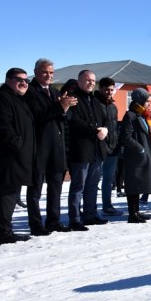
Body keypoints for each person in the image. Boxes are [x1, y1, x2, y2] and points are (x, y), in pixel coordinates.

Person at [24, 59, 76, 235]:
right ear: (36, 72)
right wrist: (60, 106)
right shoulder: (30, 91)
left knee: (55, 186)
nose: (49, 76)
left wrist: (66, 108)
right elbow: (38, 116)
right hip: (40, 146)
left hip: (57, 147)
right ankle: (35, 223)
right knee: (36, 188)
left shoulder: (54, 93)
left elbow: (65, 118)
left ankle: (53, 220)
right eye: (46, 72)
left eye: (52, 73)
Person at [0, 68, 35, 244]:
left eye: (26, 80)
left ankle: (5, 229)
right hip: (7, 158)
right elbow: (3, 129)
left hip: (18, 158)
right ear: (8, 80)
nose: (24, 83)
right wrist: (19, 147)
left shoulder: (18, 99)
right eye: (19, 79)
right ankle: (2, 232)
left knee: (11, 196)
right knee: (4, 196)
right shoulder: (0, 98)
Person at [67, 70, 109, 230]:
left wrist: (104, 129)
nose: (91, 82)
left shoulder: (94, 100)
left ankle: (90, 214)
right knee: (78, 186)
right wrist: (95, 131)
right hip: (81, 150)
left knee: (92, 185)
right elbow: (74, 121)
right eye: (88, 80)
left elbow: (103, 119)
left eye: (93, 80)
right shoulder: (73, 98)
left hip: (97, 149)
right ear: (79, 81)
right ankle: (75, 218)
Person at [118, 89, 151, 223]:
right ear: (139, 101)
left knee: (139, 184)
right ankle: (132, 213)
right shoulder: (130, 115)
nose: (149, 104)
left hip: (143, 156)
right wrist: (140, 149)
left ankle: (136, 211)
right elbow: (125, 137)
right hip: (134, 157)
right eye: (147, 101)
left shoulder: (142, 116)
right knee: (133, 185)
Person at [96, 77, 122, 216]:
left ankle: (107, 206)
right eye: (106, 89)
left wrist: (116, 143)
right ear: (100, 89)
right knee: (93, 181)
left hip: (113, 148)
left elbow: (115, 127)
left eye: (111, 89)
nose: (109, 92)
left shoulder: (113, 106)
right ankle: (90, 207)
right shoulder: (95, 104)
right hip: (99, 148)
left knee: (108, 180)